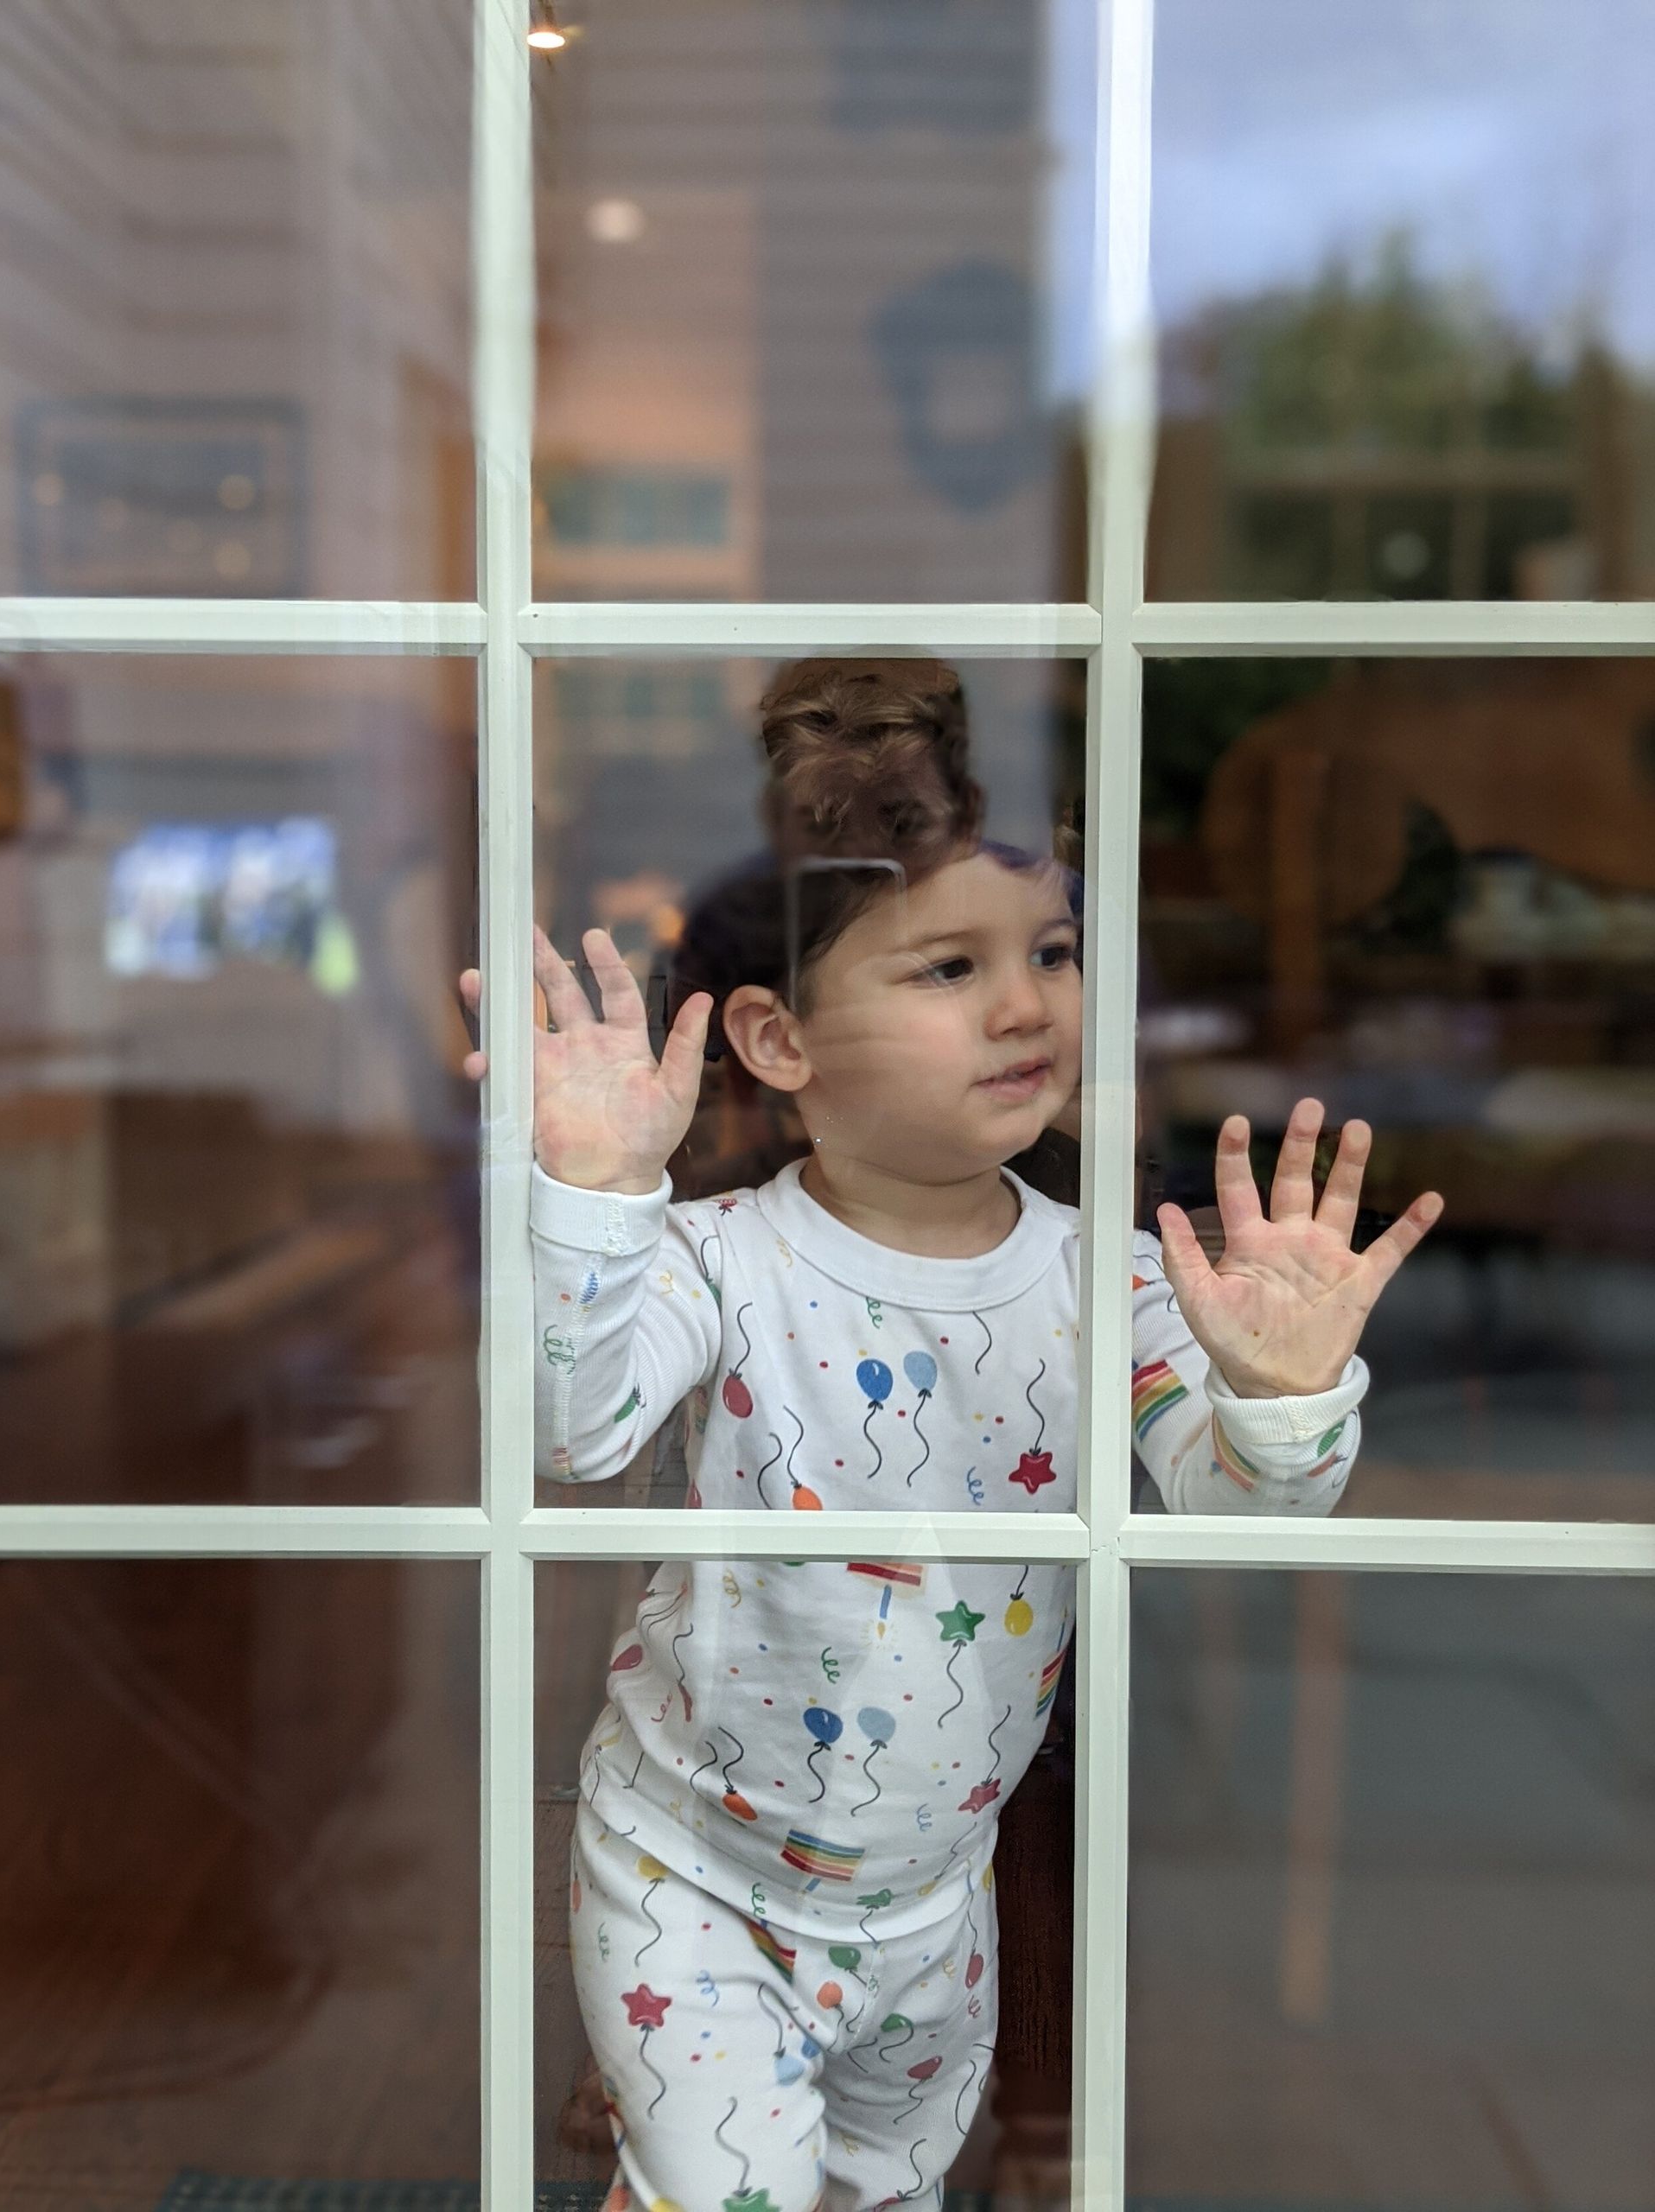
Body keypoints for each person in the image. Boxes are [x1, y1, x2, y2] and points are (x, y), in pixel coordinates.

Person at [458, 660, 1442, 2212]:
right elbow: (570, 1441)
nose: (1024, 1002)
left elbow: (1240, 1505)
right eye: (944, 969)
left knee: (883, 2193)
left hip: (934, 1899)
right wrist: (593, 1195)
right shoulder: (719, 1260)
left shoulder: (1116, 1275)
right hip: (691, 1868)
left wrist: (1281, 1392)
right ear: (780, 1045)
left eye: (1050, 950)